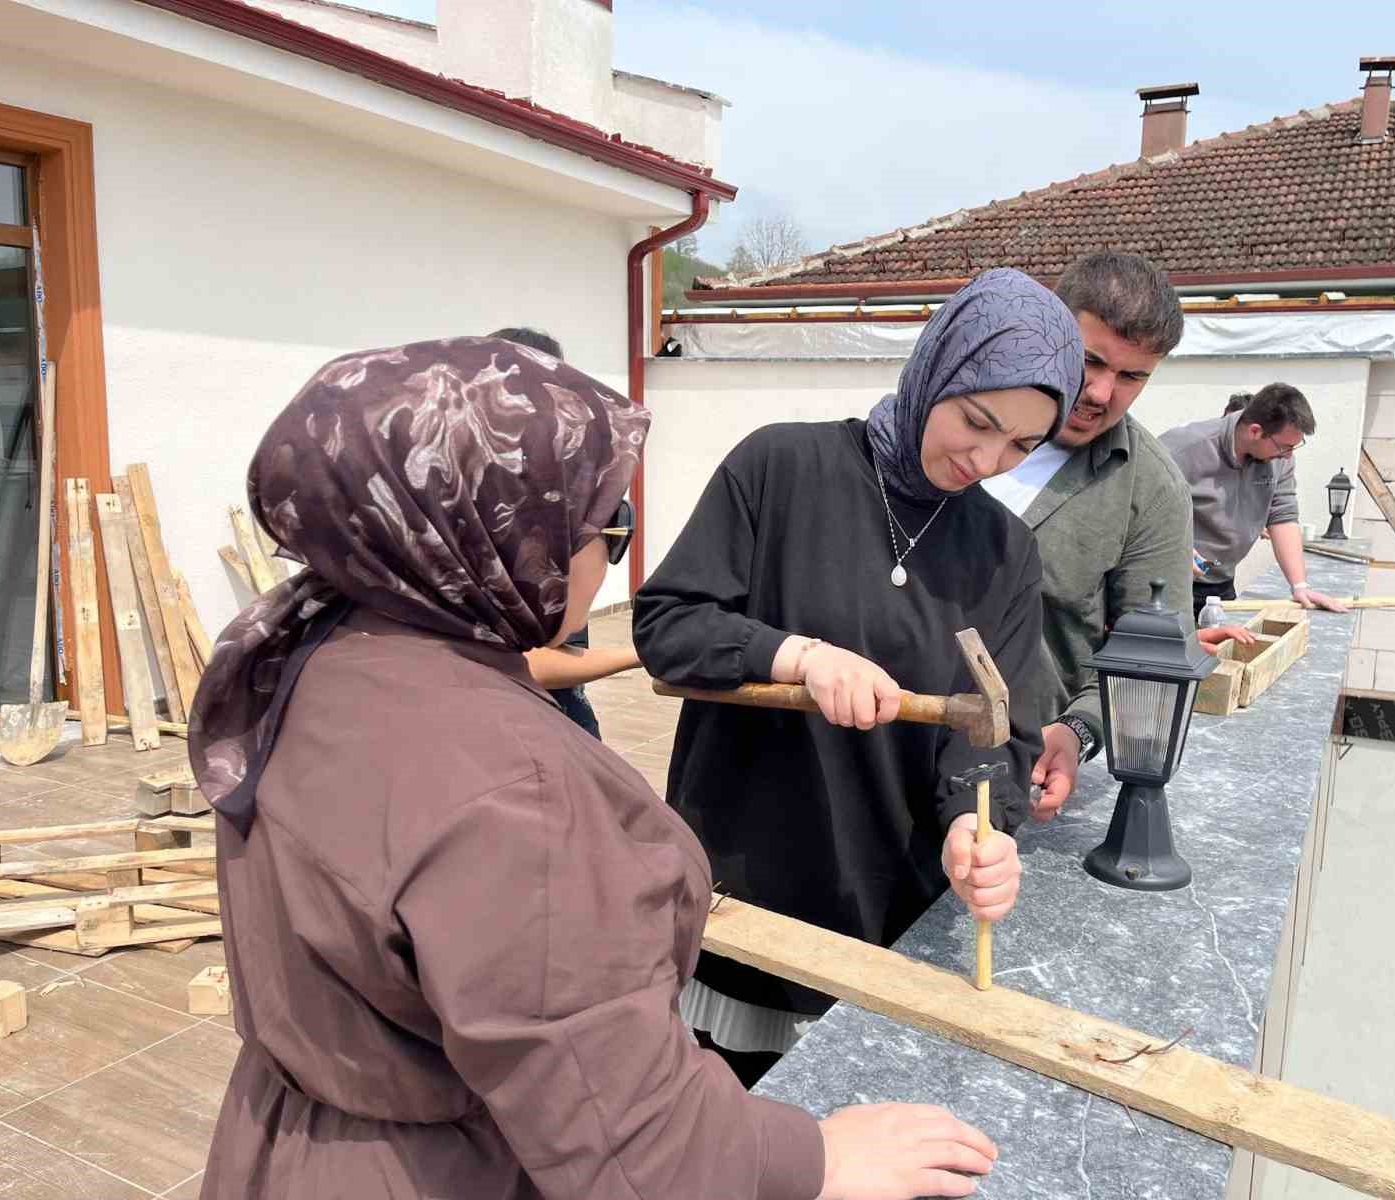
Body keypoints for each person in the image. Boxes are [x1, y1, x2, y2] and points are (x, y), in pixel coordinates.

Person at [189, 337, 999, 1200]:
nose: (614, 551)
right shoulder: (517, 791)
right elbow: (626, 1140)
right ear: (494, 531)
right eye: (607, 526)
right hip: (436, 1172)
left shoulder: (304, 652)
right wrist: (820, 1159)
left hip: (289, 1143)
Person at [633, 269, 1079, 1087]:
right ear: (935, 369)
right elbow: (668, 625)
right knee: (721, 1122)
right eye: (976, 421)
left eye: (1021, 446)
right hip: (744, 884)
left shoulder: (1004, 551)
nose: (985, 460)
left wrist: (975, 825)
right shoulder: (780, 468)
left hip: (889, 900)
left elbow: (999, 729)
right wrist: (798, 655)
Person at [979, 251, 1250, 826]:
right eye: (1090, 361)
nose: (1102, 393)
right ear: (1050, 330)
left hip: (999, 776)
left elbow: (1149, 665)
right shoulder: (961, 416)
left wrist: (1076, 733)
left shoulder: (1152, 491)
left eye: (1132, 377)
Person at [488, 325, 638, 738]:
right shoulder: (487, 501)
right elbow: (518, 663)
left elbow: (559, 649)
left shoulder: (560, 478)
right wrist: (638, 654)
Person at [1161, 382, 1350, 618]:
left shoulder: (1279, 459)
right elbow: (1135, 506)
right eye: (1285, 447)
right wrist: (1171, 544)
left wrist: (1300, 586)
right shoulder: (1183, 448)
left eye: (1294, 447)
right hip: (1165, 585)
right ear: (1255, 431)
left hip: (1220, 586)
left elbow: (1283, 516)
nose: (1288, 455)